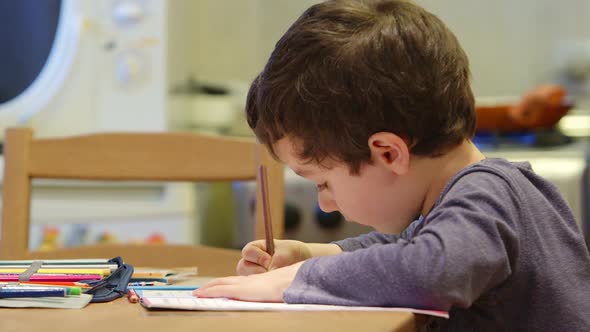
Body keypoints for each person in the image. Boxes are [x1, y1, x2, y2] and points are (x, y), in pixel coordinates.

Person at [194, 0, 590, 330]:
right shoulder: (475, 196)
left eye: (322, 182)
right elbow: (409, 246)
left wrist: (295, 280)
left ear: (388, 153)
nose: (326, 205)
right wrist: (312, 254)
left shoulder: (488, 195)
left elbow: (430, 268)